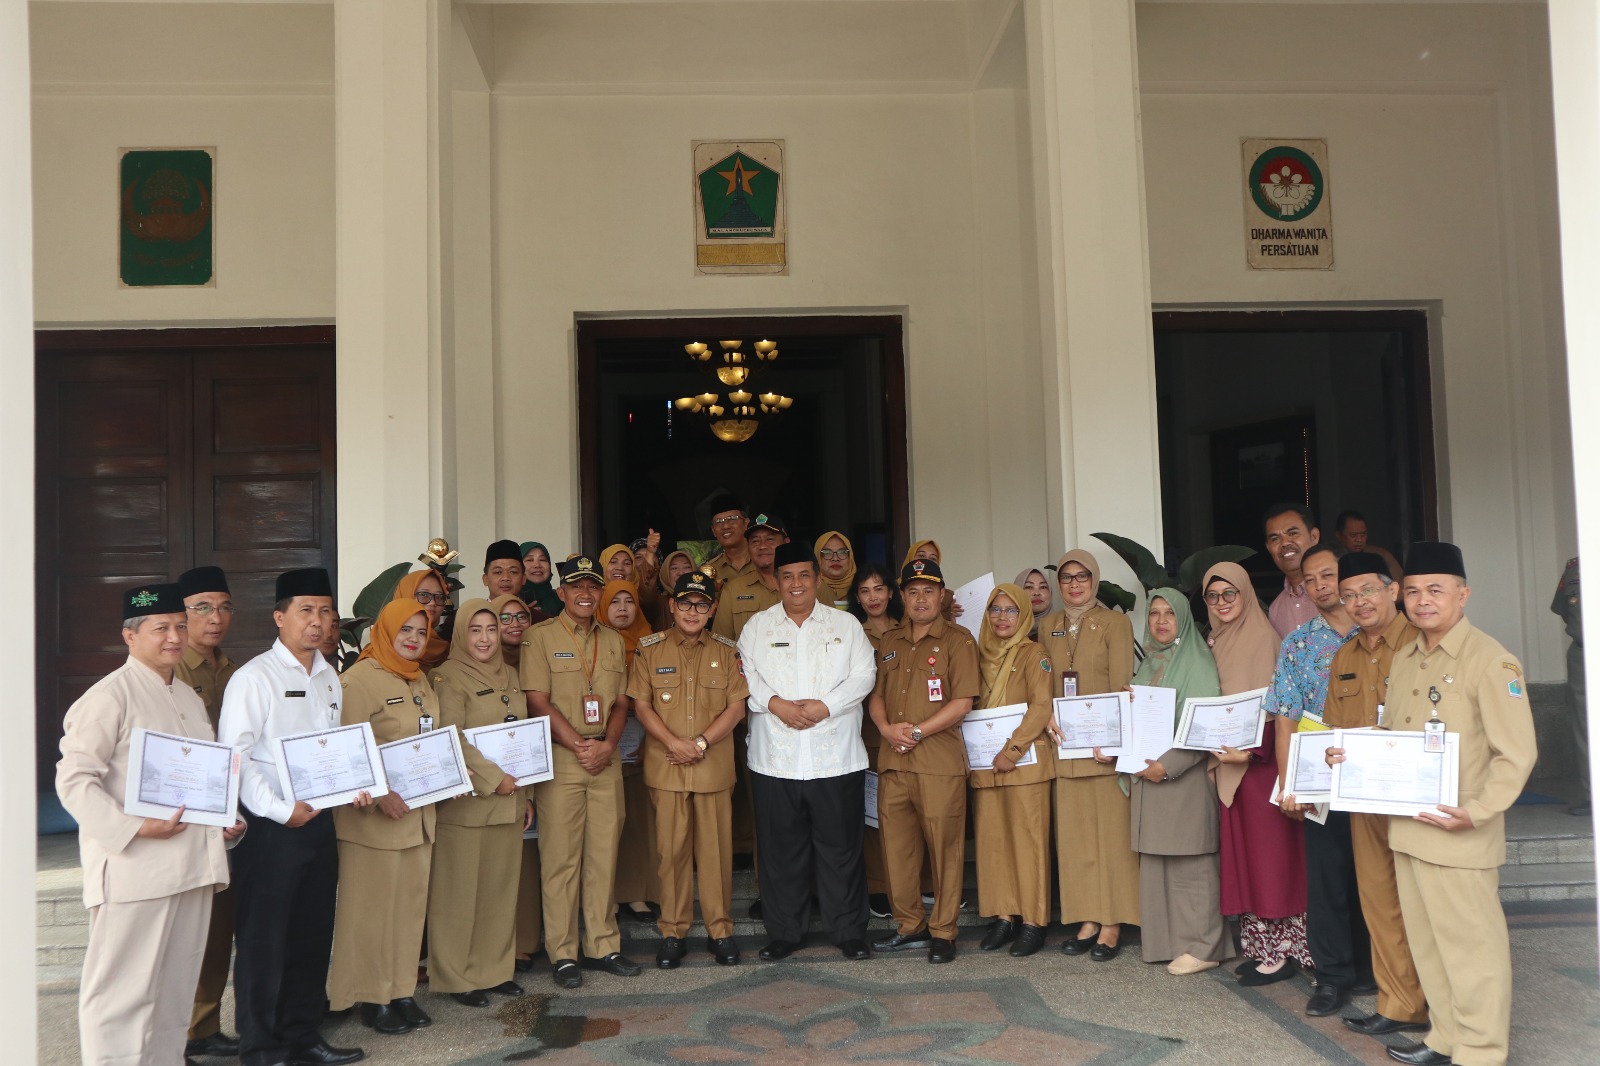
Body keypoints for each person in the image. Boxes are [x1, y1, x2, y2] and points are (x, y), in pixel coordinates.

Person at [1330, 543, 1537, 1066]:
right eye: (1416, 590)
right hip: (1410, 824)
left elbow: (1517, 752)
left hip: (1458, 828)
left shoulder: (1491, 660)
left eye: (1437, 590)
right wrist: (1349, 751)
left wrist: (1480, 811)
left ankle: (1482, 1050)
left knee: (1473, 949)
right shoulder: (1407, 657)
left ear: (1463, 595)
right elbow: (1394, 732)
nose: (1424, 601)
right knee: (1430, 946)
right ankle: (1446, 1037)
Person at [57, 582, 244, 1066]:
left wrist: (226, 820)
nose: (174, 637)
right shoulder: (108, 696)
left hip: (190, 869)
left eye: (180, 626)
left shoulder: (183, 694)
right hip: (136, 871)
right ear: (129, 636)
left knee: (173, 992)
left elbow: (200, 779)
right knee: (121, 996)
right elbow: (74, 780)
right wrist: (134, 828)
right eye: (160, 628)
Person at [219, 567, 363, 1066]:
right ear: (280, 617)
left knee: (311, 932)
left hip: (319, 822)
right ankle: (260, 1047)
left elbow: (332, 749)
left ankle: (303, 1036)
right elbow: (234, 759)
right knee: (264, 941)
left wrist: (353, 785)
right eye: (306, 610)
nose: (318, 622)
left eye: (326, 611)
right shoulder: (253, 678)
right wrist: (282, 811)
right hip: (271, 829)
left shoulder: (328, 676)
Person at [737, 541, 878, 961]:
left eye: (803, 575)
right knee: (781, 852)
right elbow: (746, 675)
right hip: (774, 758)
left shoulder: (846, 625)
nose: (796, 584)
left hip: (835, 756)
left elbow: (864, 675)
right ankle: (785, 931)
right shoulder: (757, 628)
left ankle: (848, 930)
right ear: (775, 581)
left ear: (817, 579)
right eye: (787, 576)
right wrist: (777, 704)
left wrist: (824, 706)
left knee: (841, 849)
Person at [1320, 552, 1429, 1038]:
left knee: (1426, 904)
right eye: (1349, 595)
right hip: (1365, 802)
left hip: (1417, 801)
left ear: (1393, 591)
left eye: (1368, 590)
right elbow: (1332, 730)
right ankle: (1399, 1003)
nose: (1358, 602)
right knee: (1380, 902)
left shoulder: (1423, 644)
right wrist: (1330, 755)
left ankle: (1442, 1002)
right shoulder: (1343, 656)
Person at [520, 556, 642, 989]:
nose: (586, 594)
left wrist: (607, 746)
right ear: (561, 593)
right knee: (560, 859)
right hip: (563, 758)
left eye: (592, 586)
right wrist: (579, 745)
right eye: (576, 587)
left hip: (604, 758)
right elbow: (537, 701)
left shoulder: (613, 640)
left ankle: (604, 945)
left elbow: (622, 702)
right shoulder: (540, 638)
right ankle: (564, 953)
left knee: (604, 856)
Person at [327, 600, 439, 1035]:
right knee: (370, 912)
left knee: (408, 911)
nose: (412, 638)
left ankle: (400, 990)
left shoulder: (420, 678)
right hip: (374, 821)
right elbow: (345, 749)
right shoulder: (357, 680)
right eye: (404, 630)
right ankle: (370, 996)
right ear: (385, 631)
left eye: (420, 631)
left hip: (417, 815)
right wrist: (378, 796)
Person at [627, 571, 749, 968]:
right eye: (685, 603)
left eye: (701, 604)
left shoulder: (728, 652)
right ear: (672, 606)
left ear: (712, 609)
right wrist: (674, 743)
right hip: (667, 767)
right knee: (671, 853)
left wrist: (698, 743)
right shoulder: (649, 650)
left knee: (715, 854)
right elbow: (641, 706)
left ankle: (720, 930)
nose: (692, 611)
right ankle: (673, 931)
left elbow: (736, 707)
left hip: (712, 766)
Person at [1203, 561, 1311, 986]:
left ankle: (1286, 951)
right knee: (1250, 859)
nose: (1222, 603)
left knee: (1274, 862)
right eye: (1213, 596)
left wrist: (1252, 754)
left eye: (1230, 594)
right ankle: (1264, 947)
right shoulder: (1216, 640)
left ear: (1246, 594)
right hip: (1233, 769)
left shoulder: (1265, 640)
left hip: (1261, 767)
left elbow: (1283, 709)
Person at [1260, 544, 1360, 1005]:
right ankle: (1333, 976)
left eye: (1329, 576)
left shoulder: (1381, 635)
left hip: (1376, 777)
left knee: (1378, 879)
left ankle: (1383, 972)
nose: (1320, 586)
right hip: (1321, 779)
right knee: (1327, 879)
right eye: (1311, 579)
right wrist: (1291, 784)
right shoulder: (1298, 644)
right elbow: (1285, 718)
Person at [866, 559, 978, 965]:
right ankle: (908, 926)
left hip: (937, 763)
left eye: (928, 591)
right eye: (912, 591)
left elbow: (963, 702)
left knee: (945, 851)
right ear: (902, 597)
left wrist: (916, 731)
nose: (920, 599)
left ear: (942, 596)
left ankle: (944, 931)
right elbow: (875, 695)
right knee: (897, 850)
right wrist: (885, 728)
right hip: (894, 763)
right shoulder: (890, 641)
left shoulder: (958, 640)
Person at [426, 599, 532, 1007]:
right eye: (476, 629)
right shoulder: (447, 677)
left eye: (492, 628)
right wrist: (495, 779)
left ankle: (494, 969)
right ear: (461, 634)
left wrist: (526, 794)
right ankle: (457, 977)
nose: (486, 638)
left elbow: (523, 736)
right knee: (458, 895)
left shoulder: (510, 673)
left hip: (509, 802)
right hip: (469, 805)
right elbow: (451, 735)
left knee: (498, 891)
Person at [1036, 549, 1137, 961]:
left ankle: (1111, 923)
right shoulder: (1048, 626)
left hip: (1102, 748)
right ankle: (1087, 919)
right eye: (1066, 578)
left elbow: (1121, 685)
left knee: (1111, 839)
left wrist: (1115, 743)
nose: (1074, 584)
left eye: (1082, 577)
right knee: (1075, 839)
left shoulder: (1115, 622)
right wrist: (1044, 716)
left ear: (1094, 580)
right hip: (1064, 747)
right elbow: (1041, 681)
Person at [1128, 588, 1231, 975]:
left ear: (1184, 619)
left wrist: (1167, 765)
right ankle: (1170, 943)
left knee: (1193, 864)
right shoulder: (1149, 662)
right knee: (1159, 864)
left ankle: (1204, 946)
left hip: (1182, 776)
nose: (1160, 621)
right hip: (1150, 775)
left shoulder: (1197, 662)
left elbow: (1204, 728)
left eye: (1170, 613)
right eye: (1154, 613)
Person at [174, 566, 243, 1059]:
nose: (215, 618)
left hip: (231, 816)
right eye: (202, 607)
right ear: (182, 615)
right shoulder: (171, 670)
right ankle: (174, 1029)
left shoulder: (233, 670)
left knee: (219, 927)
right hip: (184, 818)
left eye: (222, 607)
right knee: (183, 929)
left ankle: (204, 1026)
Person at [969, 582, 1058, 958]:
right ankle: (1004, 917)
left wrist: (1013, 749)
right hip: (985, 763)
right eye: (995, 610)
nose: (1002, 618)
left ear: (1023, 615)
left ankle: (1034, 922)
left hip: (1024, 763)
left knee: (1029, 842)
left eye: (1010, 611)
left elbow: (1041, 706)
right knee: (993, 843)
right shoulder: (976, 653)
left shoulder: (1034, 652)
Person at [600, 579, 661, 923]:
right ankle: (606, 898)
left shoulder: (652, 643)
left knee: (638, 823)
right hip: (603, 747)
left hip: (642, 745)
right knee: (606, 827)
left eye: (629, 601)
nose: (622, 608)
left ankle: (637, 893)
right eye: (614, 602)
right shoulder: (593, 644)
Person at [849, 562, 906, 916]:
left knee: (912, 813)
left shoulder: (909, 627)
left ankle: (921, 883)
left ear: (890, 592)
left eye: (879, 588)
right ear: (857, 597)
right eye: (865, 591)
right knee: (874, 814)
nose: (873, 597)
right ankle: (878, 886)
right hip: (870, 735)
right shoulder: (853, 632)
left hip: (911, 733)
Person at [492, 593, 543, 972]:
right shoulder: (474, 667)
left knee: (531, 860)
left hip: (537, 774)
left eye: (520, 616)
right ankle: (499, 947)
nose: (513, 624)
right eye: (503, 618)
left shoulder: (534, 659)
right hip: (495, 781)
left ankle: (526, 938)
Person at [1551, 557, 1589, 815]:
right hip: (1583, 654)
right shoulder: (1576, 566)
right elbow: (1565, 609)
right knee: (1585, 725)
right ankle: (1592, 794)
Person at [713, 513, 788, 640]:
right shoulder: (733, 590)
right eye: (755, 541)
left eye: (770, 539)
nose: (762, 546)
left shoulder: (809, 585)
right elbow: (721, 643)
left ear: (786, 543)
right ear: (748, 547)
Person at [1263, 503, 1323, 638]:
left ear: (1314, 536)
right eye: (1275, 538)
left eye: (1293, 533)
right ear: (1268, 548)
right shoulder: (1275, 610)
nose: (1284, 543)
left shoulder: (1338, 592)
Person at [393, 569, 451, 670]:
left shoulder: (446, 650)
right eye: (424, 595)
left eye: (439, 597)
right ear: (406, 596)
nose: (433, 603)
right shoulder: (384, 645)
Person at [1333, 510, 1402, 578]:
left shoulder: (1380, 555)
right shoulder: (1331, 558)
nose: (1359, 540)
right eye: (1353, 535)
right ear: (1339, 535)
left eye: (1363, 534)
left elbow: (1401, 582)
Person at [705, 494, 753, 584]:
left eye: (732, 518)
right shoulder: (709, 571)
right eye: (718, 521)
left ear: (746, 523)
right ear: (713, 531)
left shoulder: (764, 561)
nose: (725, 526)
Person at [651, 549, 697, 630]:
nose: (681, 573)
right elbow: (645, 593)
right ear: (665, 574)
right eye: (674, 568)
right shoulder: (658, 604)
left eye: (687, 567)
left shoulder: (706, 602)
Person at [518, 541, 561, 621]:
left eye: (542, 560)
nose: (537, 565)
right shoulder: (512, 600)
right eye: (529, 560)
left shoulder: (561, 599)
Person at [816, 530, 858, 609]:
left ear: (850, 557)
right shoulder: (808, 589)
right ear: (818, 558)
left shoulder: (863, 587)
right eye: (827, 552)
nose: (835, 558)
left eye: (842, 552)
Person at [1015, 567, 1054, 641]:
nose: (1037, 593)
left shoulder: (1063, 627)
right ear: (1017, 593)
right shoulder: (1005, 630)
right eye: (1029, 587)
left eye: (1043, 587)